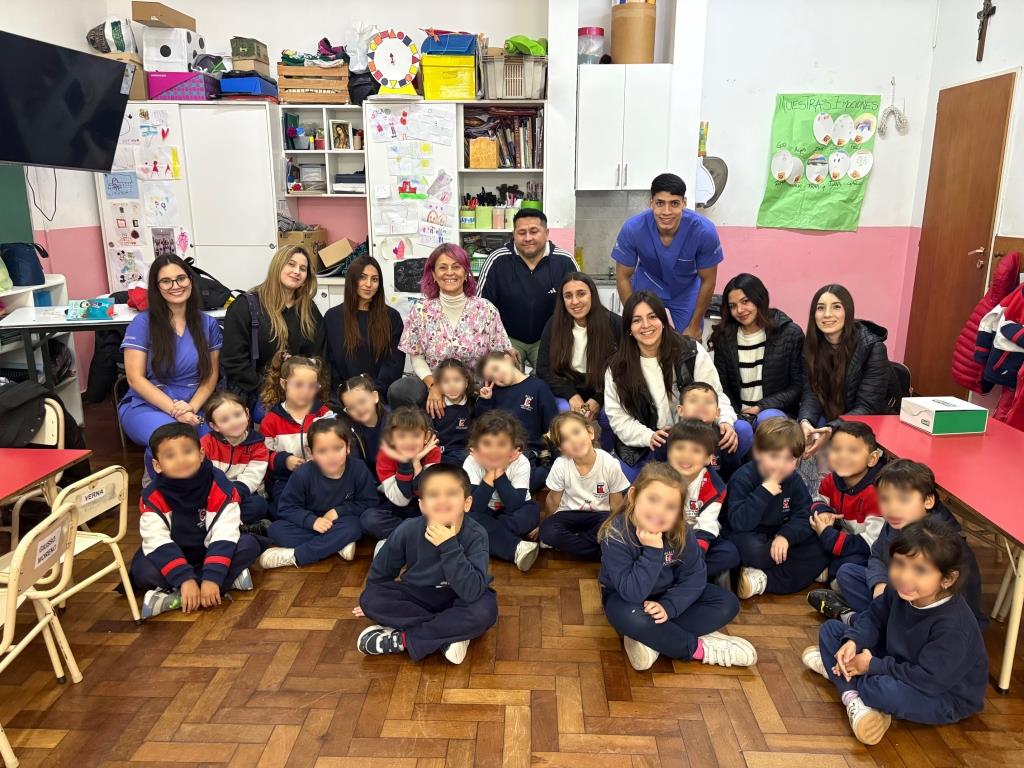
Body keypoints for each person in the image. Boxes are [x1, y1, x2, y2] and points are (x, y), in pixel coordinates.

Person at [803, 518, 988, 745]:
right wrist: (854, 641)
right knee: (831, 630)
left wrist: (871, 666)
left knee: (879, 689)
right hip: (899, 661)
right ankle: (855, 700)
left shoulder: (954, 627)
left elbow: (929, 680)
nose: (905, 576)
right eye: (900, 564)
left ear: (947, 579)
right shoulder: (902, 590)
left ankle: (842, 678)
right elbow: (873, 617)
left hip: (943, 695)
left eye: (920, 570)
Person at [598, 462, 756, 672]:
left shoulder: (681, 532)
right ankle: (698, 648)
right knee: (633, 619)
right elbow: (632, 592)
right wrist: (653, 551)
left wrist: (669, 607)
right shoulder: (615, 535)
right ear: (634, 495)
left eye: (670, 507)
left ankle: (652, 641)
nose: (659, 511)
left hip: (668, 594)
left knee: (728, 603)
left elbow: (694, 577)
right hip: (626, 599)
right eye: (653, 499)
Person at [808, 460, 985, 627]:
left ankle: (857, 621)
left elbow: (937, 597)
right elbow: (877, 555)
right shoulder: (900, 519)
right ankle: (870, 621)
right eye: (885, 499)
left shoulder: (940, 541)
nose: (892, 508)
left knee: (840, 627)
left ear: (928, 501)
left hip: (933, 614)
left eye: (903, 499)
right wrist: (879, 584)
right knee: (847, 572)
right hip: (902, 595)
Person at [355, 464, 498, 665]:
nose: (442, 500)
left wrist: (448, 545)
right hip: (418, 593)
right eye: (433, 494)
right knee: (370, 598)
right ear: (422, 505)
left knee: (485, 611)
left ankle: (404, 639)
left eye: (451, 493)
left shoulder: (477, 535)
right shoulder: (408, 529)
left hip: (460, 596)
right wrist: (372, 605)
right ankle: (450, 634)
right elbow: (382, 572)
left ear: (466, 503)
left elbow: (472, 591)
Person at [604, 291, 747, 476]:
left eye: (652, 317)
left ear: (663, 321)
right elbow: (619, 419)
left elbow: (716, 394)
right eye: (637, 320)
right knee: (628, 486)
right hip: (651, 444)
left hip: (695, 437)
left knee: (741, 431)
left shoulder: (691, 351)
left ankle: (721, 480)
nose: (646, 325)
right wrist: (649, 437)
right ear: (629, 328)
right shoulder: (617, 368)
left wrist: (725, 421)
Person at [130, 423, 259, 619]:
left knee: (248, 545)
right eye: (170, 455)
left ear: (201, 454)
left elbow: (225, 532)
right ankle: (223, 582)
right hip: (176, 552)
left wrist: (212, 577)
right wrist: (184, 579)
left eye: (187, 451)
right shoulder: (152, 495)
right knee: (142, 570)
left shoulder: (219, 484)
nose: (181, 460)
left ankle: (179, 596)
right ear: (157, 465)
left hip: (210, 550)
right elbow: (156, 540)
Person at [391, 244, 513, 416]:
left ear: (465, 273)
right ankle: (424, 434)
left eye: (456, 267)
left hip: (477, 390)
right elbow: (416, 357)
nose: (450, 272)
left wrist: (486, 388)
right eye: (442, 267)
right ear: (433, 275)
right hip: (435, 387)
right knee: (400, 390)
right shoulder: (421, 311)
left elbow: (498, 355)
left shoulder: (486, 310)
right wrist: (434, 385)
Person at [119, 255, 221, 452]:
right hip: (148, 404)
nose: (175, 285)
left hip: (194, 402)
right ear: (156, 288)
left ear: (191, 281)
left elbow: (211, 376)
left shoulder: (208, 324)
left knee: (214, 443)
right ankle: (155, 482)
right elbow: (135, 379)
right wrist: (176, 411)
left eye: (181, 278)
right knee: (173, 441)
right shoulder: (142, 324)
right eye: (166, 281)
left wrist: (190, 407)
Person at [725, 417, 828, 599]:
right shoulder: (742, 478)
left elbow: (804, 513)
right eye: (774, 456)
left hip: (779, 533)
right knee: (754, 551)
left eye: (789, 459)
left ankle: (761, 578)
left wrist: (785, 536)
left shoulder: (794, 480)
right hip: (750, 534)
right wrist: (763, 492)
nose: (781, 465)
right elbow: (739, 523)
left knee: (822, 543)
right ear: (757, 452)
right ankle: (802, 569)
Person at [612, 173, 723, 338]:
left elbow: (708, 280)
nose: (666, 212)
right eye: (660, 203)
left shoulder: (703, 231)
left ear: (684, 203)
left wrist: (694, 326)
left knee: (687, 345)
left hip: (685, 292)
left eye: (674, 204)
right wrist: (633, 318)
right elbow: (622, 276)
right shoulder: (633, 228)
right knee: (643, 339)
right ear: (651, 203)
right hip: (647, 287)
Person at [221, 245, 324, 419]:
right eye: (290, 264)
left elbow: (319, 354)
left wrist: (305, 387)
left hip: (301, 389)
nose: (296, 271)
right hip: (260, 391)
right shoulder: (246, 306)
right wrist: (270, 388)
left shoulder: (309, 310)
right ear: (277, 266)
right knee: (281, 417)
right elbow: (233, 360)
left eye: (303, 268)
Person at [259, 418, 377, 569]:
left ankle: (295, 556)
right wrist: (312, 521)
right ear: (310, 453)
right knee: (276, 530)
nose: (331, 456)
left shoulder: (358, 468)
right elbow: (286, 508)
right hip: (311, 524)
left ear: (348, 447)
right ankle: (338, 544)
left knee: (355, 526)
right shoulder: (303, 474)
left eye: (337, 448)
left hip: (341, 522)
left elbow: (370, 502)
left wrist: (339, 511)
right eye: (322, 451)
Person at [476, 209, 578, 370]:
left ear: (546, 233)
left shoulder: (564, 262)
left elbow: (579, 304)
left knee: (549, 385)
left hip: (549, 339)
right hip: (508, 339)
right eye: (521, 232)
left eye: (534, 231)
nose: (528, 238)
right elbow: (480, 308)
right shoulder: (497, 260)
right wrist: (499, 343)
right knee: (506, 383)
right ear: (513, 235)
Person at [799, 284, 892, 457]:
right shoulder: (812, 347)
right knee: (801, 442)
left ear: (848, 312)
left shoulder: (873, 347)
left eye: (836, 307)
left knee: (831, 452)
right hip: (831, 419)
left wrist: (832, 428)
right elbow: (812, 391)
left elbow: (867, 407)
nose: (827, 314)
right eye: (820, 308)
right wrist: (805, 421)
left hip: (867, 426)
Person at [710, 273, 805, 422]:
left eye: (745, 301)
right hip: (737, 415)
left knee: (766, 421)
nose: (739, 310)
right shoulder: (724, 338)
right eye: (732, 306)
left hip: (778, 414)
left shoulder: (790, 333)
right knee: (737, 430)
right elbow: (722, 386)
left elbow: (798, 385)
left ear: (759, 299)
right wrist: (734, 415)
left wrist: (761, 407)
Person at [539, 412, 629, 561]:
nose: (573, 440)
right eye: (565, 440)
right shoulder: (561, 465)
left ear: (590, 432)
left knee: (612, 527)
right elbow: (553, 500)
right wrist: (544, 524)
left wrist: (618, 527)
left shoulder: (610, 464)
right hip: (568, 514)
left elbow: (616, 503)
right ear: (561, 449)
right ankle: (598, 552)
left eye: (576, 432)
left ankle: (576, 544)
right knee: (548, 531)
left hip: (599, 516)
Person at [536, 272, 621, 430]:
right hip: (567, 387)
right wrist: (571, 395)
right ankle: (567, 453)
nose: (575, 301)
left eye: (581, 294)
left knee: (607, 416)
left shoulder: (614, 323)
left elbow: (623, 370)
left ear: (592, 295)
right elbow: (543, 369)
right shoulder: (554, 324)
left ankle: (608, 454)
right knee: (564, 413)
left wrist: (598, 399)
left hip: (605, 389)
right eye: (568, 296)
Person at [805, 420, 885, 584]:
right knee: (805, 536)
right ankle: (822, 569)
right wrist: (823, 512)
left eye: (853, 450)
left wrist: (829, 536)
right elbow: (818, 500)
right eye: (836, 449)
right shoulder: (831, 480)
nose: (842, 455)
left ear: (872, 458)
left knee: (846, 568)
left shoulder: (877, 494)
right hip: (839, 537)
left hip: (866, 548)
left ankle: (828, 572)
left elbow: (872, 545)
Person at [463, 411, 540, 572]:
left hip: (515, 511)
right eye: (487, 444)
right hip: (485, 511)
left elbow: (515, 504)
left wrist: (498, 472)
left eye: (502, 444)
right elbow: (475, 506)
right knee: (466, 517)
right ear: (476, 445)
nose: (494, 451)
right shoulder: (471, 462)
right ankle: (516, 548)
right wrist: (490, 473)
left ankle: (487, 538)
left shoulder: (521, 462)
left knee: (530, 512)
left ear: (513, 446)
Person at [664, 419, 740, 583]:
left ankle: (676, 576)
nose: (686, 455)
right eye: (680, 448)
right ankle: (680, 576)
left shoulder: (715, 485)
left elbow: (708, 523)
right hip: (664, 536)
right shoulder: (657, 477)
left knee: (730, 553)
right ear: (669, 452)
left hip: (695, 537)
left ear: (708, 459)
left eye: (696, 450)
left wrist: (696, 552)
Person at [324, 255, 405, 397]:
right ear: (352, 280)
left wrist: (370, 393)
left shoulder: (392, 318)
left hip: (378, 398)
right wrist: (346, 394)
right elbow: (329, 364)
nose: (368, 284)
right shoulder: (333, 317)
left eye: (374, 279)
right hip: (342, 398)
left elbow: (393, 366)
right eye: (362, 277)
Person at [476, 350, 558, 490]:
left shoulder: (538, 387)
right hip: (497, 450)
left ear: (508, 359)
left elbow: (552, 425)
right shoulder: (493, 394)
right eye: (491, 377)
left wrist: (556, 457)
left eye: (496, 368)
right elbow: (481, 427)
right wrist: (485, 401)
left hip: (525, 450)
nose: (497, 376)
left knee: (523, 482)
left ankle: (548, 470)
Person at [259, 355, 334, 506]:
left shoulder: (324, 414)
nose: (305, 391)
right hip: (285, 479)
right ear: (284, 384)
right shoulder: (271, 420)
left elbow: (336, 443)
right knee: (286, 504)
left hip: (321, 475)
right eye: (298, 385)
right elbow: (263, 455)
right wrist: (284, 460)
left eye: (312, 386)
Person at [360, 406, 442, 544]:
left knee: (448, 516)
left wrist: (417, 466)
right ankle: (415, 537)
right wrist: (406, 463)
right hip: (396, 505)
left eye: (415, 435)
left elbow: (427, 493)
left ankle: (398, 539)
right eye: (402, 436)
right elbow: (401, 501)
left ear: (426, 437)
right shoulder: (385, 455)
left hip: (425, 505)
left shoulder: (433, 452)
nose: (408, 442)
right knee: (369, 519)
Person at [199, 392, 270, 529]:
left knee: (259, 506)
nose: (234, 422)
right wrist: (216, 496)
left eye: (238, 415)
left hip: (241, 493)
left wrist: (232, 497)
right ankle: (233, 526)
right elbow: (201, 472)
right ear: (215, 426)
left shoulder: (258, 444)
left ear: (247, 414)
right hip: (213, 493)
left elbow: (252, 477)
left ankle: (216, 524)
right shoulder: (206, 443)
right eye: (225, 420)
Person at [676, 382, 745, 481]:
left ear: (717, 412)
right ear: (680, 410)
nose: (701, 405)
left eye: (708, 402)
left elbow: (733, 477)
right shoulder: (669, 437)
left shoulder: (725, 439)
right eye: (693, 400)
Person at [338, 375, 386, 479]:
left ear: (375, 397)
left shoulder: (395, 420)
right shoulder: (350, 433)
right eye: (351, 407)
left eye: (362, 401)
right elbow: (358, 469)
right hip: (372, 483)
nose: (359, 409)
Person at [431, 358, 475, 466]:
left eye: (457, 380)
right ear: (439, 386)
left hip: (462, 451)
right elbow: (428, 429)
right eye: (446, 381)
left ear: (466, 383)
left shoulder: (474, 403)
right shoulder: (435, 405)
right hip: (439, 450)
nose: (452, 385)